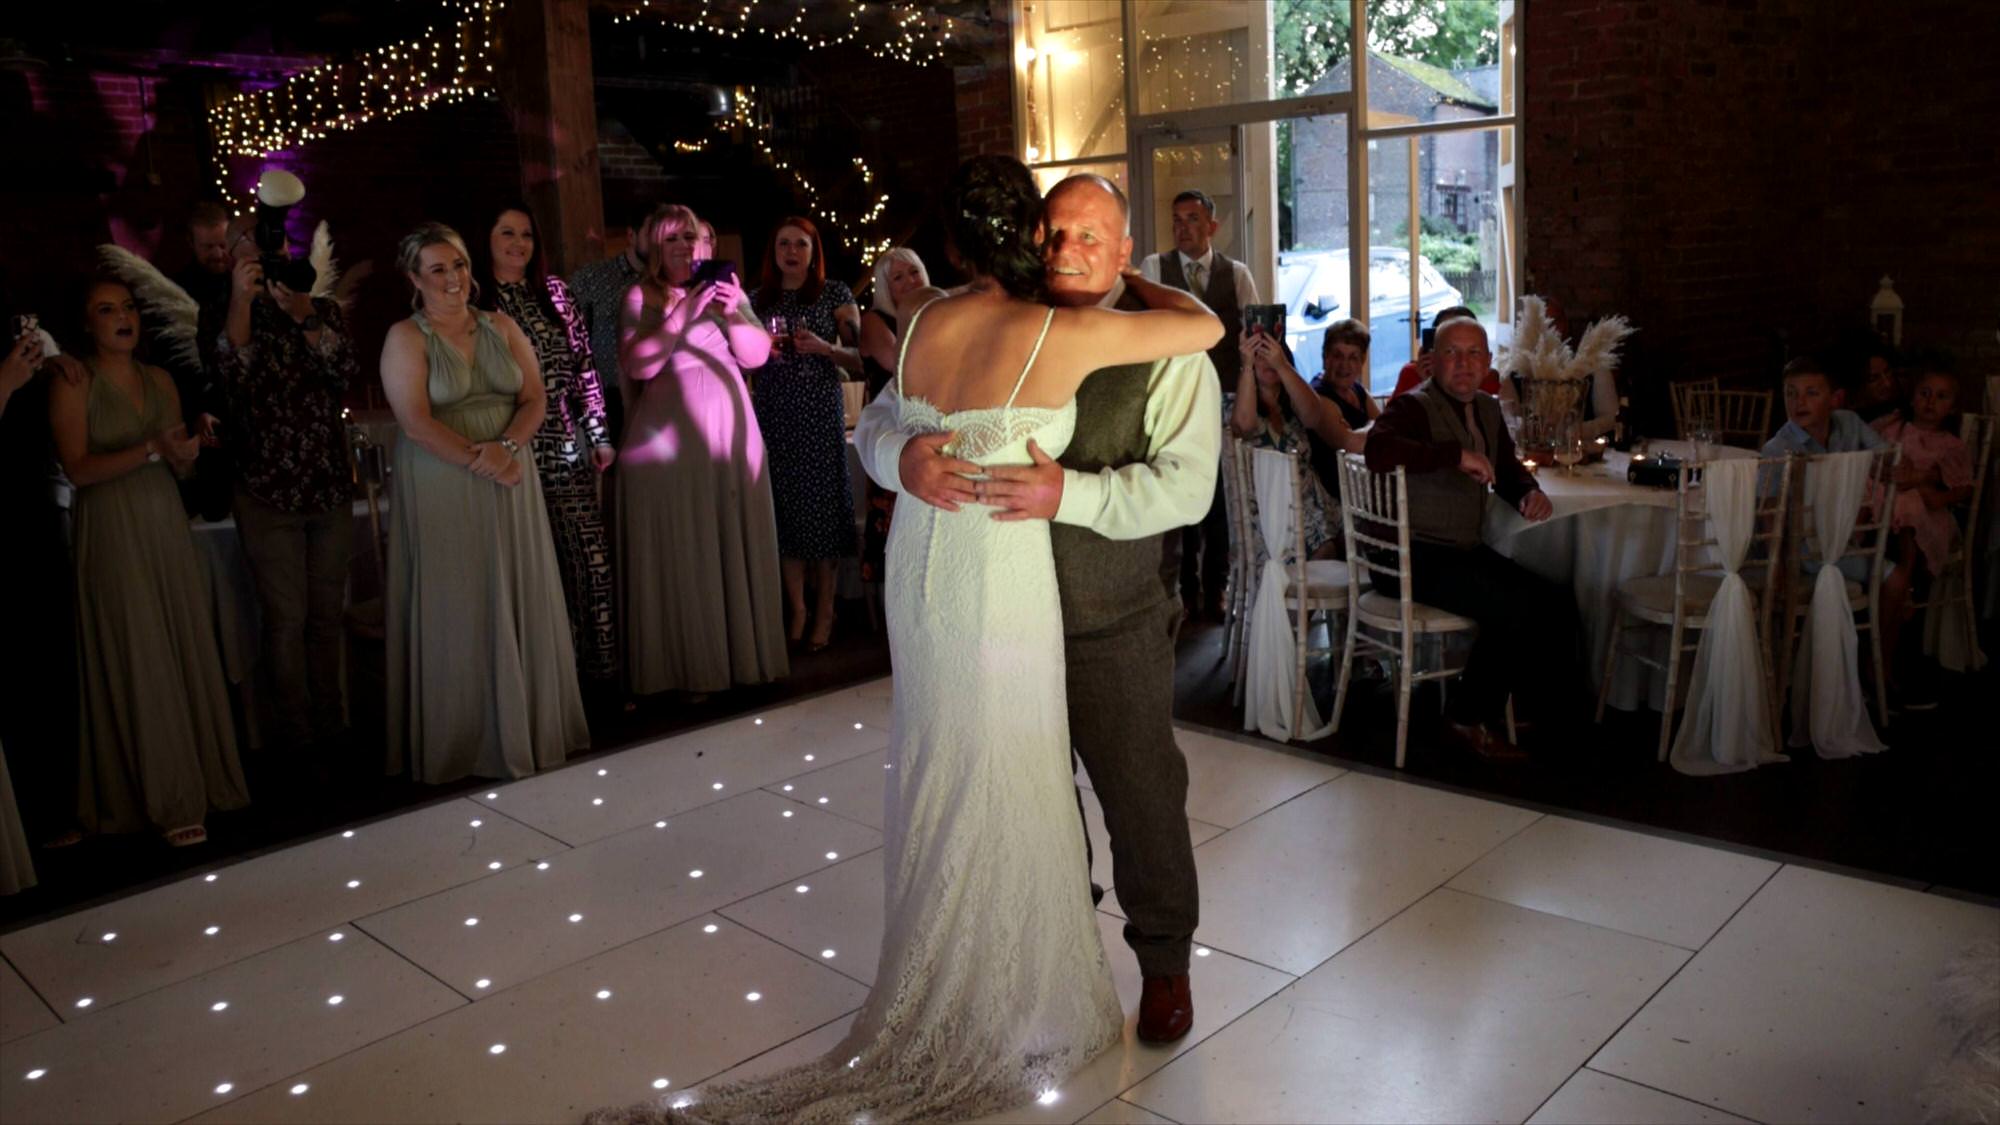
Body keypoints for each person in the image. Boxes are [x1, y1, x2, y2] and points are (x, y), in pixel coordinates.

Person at [588, 155, 1222, 1125]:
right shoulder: (992, 317)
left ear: (1126, 249)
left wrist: (1070, 492)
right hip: (989, 608)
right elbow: (885, 417)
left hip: (1102, 617)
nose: (1067, 249)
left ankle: (1163, 966)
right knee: (1015, 799)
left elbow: (1185, 489)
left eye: (1090, 235)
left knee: (1139, 793)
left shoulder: (1156, 346)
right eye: (1054, 231)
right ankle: (1033, 961)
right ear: (1025, 234)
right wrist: (898, 457)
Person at [379, 223, 589, 783]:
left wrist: (507, 447)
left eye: (460, 265)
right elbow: (416, 423)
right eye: (438, 269)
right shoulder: (407, 336)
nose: (453, 279)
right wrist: (484, 459)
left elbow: (535, 395)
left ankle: (527, 727)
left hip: (511, 473)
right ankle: (462, 740)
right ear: (414, 279)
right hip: (445, 480)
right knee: (460, 599)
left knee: (516, 590)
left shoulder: (501, 325)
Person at [49, 277, 249, 845]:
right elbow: (78, 469)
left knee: (180, 639)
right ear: (87, 324)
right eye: (105, 309)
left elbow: (178, 466)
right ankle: (160, 795)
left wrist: (188, 449)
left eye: (128, 307)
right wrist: (151, 449)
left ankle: (201, 778)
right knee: (136, 646)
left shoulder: (160, 379)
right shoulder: (73, 382)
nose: (122, 317)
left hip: (164, 520)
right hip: (110, 525)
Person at [1363, 315, 1577, 760]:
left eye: (1473, 353)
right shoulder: (1411, 407)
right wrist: (1453, 455)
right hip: (1411, 555)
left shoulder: (1487, 407)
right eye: (1451, 353)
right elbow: (1377, 451)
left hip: (1460, 551)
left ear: (1487, 364)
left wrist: (1527, 494)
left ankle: (1525, 705)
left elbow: (1506, 468)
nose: (1463, 363)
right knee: (1509, 608)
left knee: (1555, 597)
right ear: (1434, 361)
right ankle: (1465, 716)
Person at [212, 206, 361, 775]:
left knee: (327, 617)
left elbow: (342, 370)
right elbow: (234, 375)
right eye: (246, 242)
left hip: (326, 486)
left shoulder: (317, 309)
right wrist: (242, 301)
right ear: (232, 256)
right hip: (266, 492)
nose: (261, 250)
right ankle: (295, 740)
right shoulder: (223, 313)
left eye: (267, 239)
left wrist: (304, 314)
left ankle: (335, 724)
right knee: (286, 620)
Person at [616, 205, 788, 697]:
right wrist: (681, 314)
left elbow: (755, 355)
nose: (686, 248)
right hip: (669, 443)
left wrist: (732, 309)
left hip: (729, 432)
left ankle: (740, 660)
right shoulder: (641, 294)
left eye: (694, 239)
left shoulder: (727, 294)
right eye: (673, 240)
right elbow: (638, 366)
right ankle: (690, 669)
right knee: (687, 550)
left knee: (729, 540)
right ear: (655, 248)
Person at [475, 202, 619, 686]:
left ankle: (601, 679)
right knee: (537, 574)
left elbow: (585, 366)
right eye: (506, 233)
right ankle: (551, 687)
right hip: (508, 447)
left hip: (562, 445)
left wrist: (598, 434)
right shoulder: (474, 299)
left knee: (591, 562)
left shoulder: (554, 292)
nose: (518, 244)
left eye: (526, 235)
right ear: (486, 239)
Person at [1142, 189, 1255, 620]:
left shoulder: (1237, 273)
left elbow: (1254, 332)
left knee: (1221, 499)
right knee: (1180, 491)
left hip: (1225, 399)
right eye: (1176, 219)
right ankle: (1184, 588)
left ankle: (1216, 589)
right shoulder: (1155, 267)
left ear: (1212, 225)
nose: (1182, 227)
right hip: (1175, 397)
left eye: (1191, 219)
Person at [749, 215, 862, 650]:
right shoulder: (757, 300)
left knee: (822, 510)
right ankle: (796, 608)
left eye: (800, 244)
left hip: (817, 411)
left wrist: (826, 348)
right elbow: (739, 360)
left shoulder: (835, 293)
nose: (791, 252)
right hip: (774, 412)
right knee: (785, 511)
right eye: (783, 244)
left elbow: (860, 356)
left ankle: (827, 609)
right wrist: (760, 351)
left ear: (814, 251)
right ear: (773, 252)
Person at [0, 315, 82, 854]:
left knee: (48, 658)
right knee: (16, 666)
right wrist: (5, 381)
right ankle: (30, 816)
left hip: (35, 505)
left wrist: (49, 363)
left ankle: (58, 804)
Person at [1870, 368, 1971, 709]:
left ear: (1952, 408)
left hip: (1928, 516)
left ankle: (1908, 579)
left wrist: (1931, 491)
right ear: (1913, 398)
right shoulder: (1894, 427)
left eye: (1941, 397)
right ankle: (1898, 579)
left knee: (1910, 503)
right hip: (1885, 504)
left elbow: (1960, 488)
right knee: (1898, 500)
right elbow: (1871, 455)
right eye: (1925, 393)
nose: (1930, 402)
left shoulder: (1950, 445)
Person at [856, 247, 930, 585]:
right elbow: (902, 367)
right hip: (892, 430)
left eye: (913, 272)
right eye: (897, 278)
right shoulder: (875, 321)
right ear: (885, 289)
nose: (909, 281)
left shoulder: (935, 314)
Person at [1231, 330, 1338, 562]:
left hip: (1312, 505)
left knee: (1356, 533)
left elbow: (1314, 416)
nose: (1268, 360)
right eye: (1260, 355)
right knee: (1326, 547)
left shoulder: (1293, 399)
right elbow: (1244, 426)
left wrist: (1282, 367)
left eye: (1273, 353)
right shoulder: (1237, 400)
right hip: (1266, 509)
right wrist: (1247, 366)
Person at [566, 201, 654, 447]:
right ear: (631, 235)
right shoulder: (592, 278)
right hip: (609, 396)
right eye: (651, 232)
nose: (659, 241)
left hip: (658, 392)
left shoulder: (668, 283)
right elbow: (571, 341)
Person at [1390, 304, 1500, 398]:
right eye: (1450, 351)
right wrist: (1429, 385)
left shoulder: (1486, 378)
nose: (1463, 362)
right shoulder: (1411, 374)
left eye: (1473, 352)